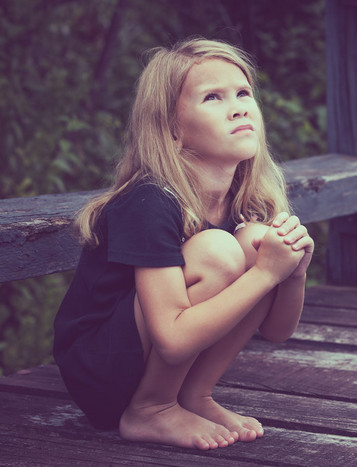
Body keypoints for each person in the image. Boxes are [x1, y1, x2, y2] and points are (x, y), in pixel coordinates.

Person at [53, 38, 314, 451]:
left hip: (152, 357)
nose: (239, 106)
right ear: (173, 131)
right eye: (213, 97)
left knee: (254, 241)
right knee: (218, 251)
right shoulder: (150, 200)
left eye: (243, 92)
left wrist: (291, 272)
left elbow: (277, 331)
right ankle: (152, 409)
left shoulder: (244, 203)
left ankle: (193, 395)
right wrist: (266, 273)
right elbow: (172, 336)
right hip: (99, 368)